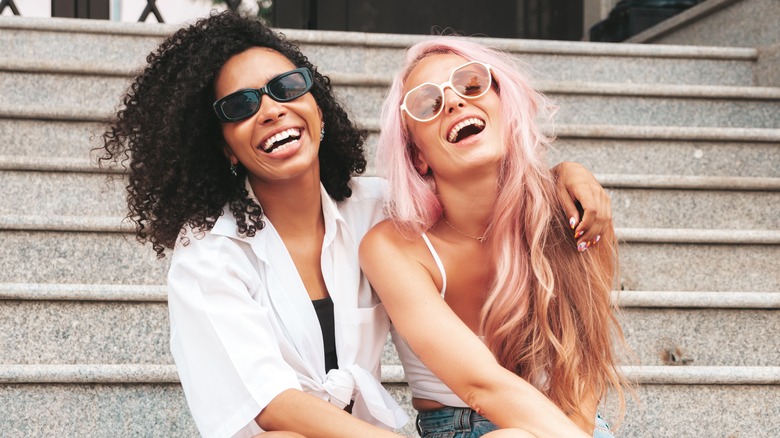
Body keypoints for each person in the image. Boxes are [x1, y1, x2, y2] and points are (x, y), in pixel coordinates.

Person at [99, 11, 614, 438]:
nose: (272, 110)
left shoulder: (376, 207)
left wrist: (563, 175)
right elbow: (273, 404)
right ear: (223, 149)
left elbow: (477, 181)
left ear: (317, 108)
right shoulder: (209, 257)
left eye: (285, 87)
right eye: (241, 106)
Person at [360, 38, 628, 438]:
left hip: (565, 421)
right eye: (427, 103)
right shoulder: (394, 247)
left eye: (471, 84)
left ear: (505, 106)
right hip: (460, 425)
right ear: (417, 155)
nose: (453, 103)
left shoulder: (571, 210)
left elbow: (581, 369)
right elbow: (480, 385)